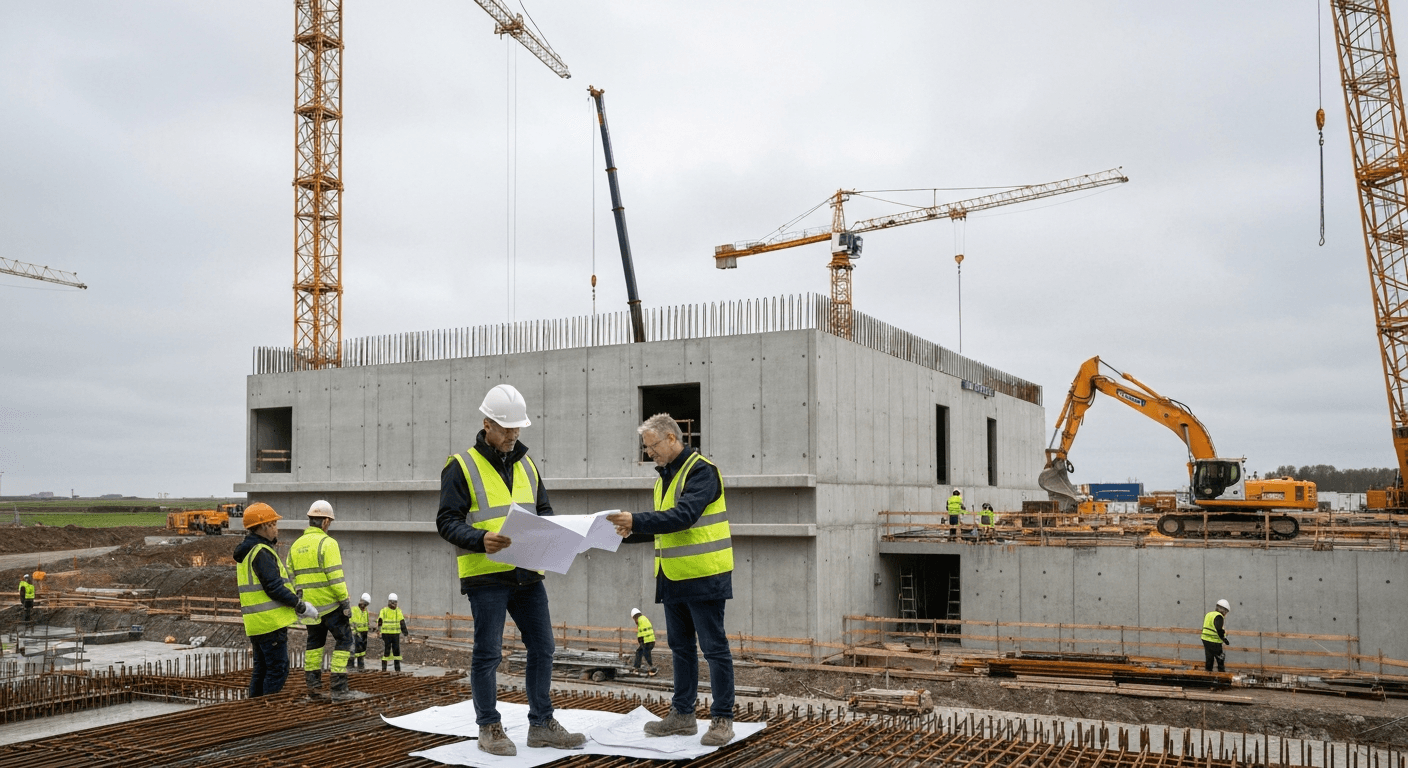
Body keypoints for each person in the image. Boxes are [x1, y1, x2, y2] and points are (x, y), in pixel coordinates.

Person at [436, 383, 585, 757]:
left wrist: (558, 533)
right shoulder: (461, 466)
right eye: (506, 429)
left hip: (528, 573)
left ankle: (541, 724)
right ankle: (489, 726)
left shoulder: (528, 464)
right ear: (487, 424)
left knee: (543, 647)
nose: (513, 435)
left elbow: (544, 510)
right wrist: (479, 538)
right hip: (486, 574)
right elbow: (446, 521)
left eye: (518, 429)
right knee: (488, 653)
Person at [608, 413, 736, 747]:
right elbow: (664, 528)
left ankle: (722, 718)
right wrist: (626, 533)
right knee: (680, 648)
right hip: (673, 576)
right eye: (646, 448)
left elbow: (683, 517)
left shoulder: (701, 471)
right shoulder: (665, 477)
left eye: (651, 447)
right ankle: (683, 715)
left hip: (705, 575)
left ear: (670, 438)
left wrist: (636, 520)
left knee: (714, 648)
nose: (649, 453)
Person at [234, 502, 319, 697]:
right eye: (273, 524)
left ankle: (254, 712)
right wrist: (300, 606)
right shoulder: (261, 552)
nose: (276, 528)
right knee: (277, 669)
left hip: (256, 623)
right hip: (269, 623)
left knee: (262, 669)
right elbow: (273, 587)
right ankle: (266, 712)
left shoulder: (248, 551)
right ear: (264, 526)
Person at [288, 500, 354, 701]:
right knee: (344, 640)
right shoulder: (328, 543)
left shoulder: (295, 545)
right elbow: (336, 578)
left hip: (310, 609)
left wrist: (302, 601)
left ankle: (313, 684)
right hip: (332, 607)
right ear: (325, 521)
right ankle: (338, 684)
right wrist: (345, 602)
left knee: (315, 644)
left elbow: (291, 577)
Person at [378, 593, 408, 672]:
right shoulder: (397, 611)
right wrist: (405, 633)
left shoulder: (384, 610)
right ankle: (397, 670)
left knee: (388, 652)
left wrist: (379, 631)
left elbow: (380, 622)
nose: (393, 604)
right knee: (395, 652)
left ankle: (384, 669)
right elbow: (402, 623)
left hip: (388, 635)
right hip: (392, 635)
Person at [1201, 599, 1232, 672]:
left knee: (1209, 658)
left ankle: (1208, 674)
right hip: (1214, 640)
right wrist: (1224, 639)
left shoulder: (1209, 614)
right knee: (1220, 658)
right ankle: (1221, 675)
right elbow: (1219, 629)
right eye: (1226, 612)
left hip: (1205, 639)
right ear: (1224, 610)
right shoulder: (1219, 616)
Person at [631, 608, 657, 675]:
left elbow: (641, 632)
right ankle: (636, 667)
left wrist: (640, 640)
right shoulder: (644, 618)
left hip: (646, 641)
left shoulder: (639, 620)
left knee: (646, 653)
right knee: (639, 652)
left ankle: (651, 667)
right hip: (650, 640)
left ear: (634, 616)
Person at [351, 593, 371, 671]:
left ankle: (361, 666)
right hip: (355, 633)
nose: (365, 606)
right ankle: (351, 665)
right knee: (353, 650)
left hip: (363, 634)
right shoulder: (354, 610)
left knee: (362, 651)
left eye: (366, 604)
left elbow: (366, 623)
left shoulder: (365, 611)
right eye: (364, 603)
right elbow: (351, 622)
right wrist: (354, 632)